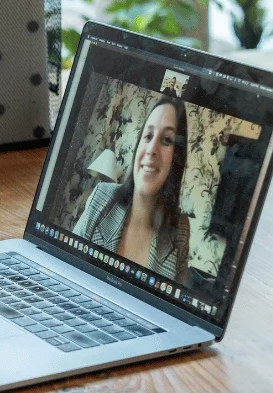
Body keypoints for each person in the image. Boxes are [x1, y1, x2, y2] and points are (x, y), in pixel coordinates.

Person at [73, 95, 191, 282]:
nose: (152, 149)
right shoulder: (101, 197)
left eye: (167, 140)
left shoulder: (180, 231)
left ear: (176, 158)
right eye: (148, 136)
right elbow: (66, 263)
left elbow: (174, 303)